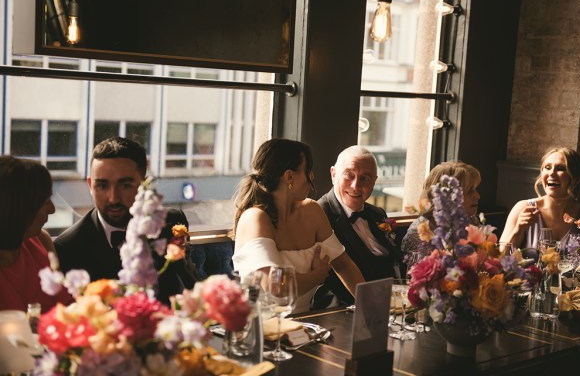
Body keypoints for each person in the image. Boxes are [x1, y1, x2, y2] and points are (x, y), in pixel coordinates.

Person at [55, 137, 197, 304]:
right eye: (102, 185)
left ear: (144, 184)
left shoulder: (171, 222)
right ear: (90, 185)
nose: (113, 198)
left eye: (125, 185)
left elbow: (189, 284)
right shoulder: (67, 248)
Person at [232, 138, 365, 314]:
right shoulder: (255, 218)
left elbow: (344, 265)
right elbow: (276, 287)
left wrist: (372, 305)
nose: (312, 177)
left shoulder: (312, 210)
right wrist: (317, 276)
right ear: (289, 177)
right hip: (261, 330)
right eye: (308, 170)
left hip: (306, 327)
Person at [316, 146, 403, 307]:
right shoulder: (319, 215)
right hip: (345, 310)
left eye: (365, 178)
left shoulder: (378, 214)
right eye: (349, 175)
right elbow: (322, 288)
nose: (356, 186)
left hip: (393, 306)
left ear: (374, 182)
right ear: (334, 174)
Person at [0, 156, 72, 313]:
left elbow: (65, 307)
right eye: (46, 202)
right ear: (19, 210)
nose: (52, 209)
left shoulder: (42, 240)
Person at [499, 147, 580, 251]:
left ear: (576, 179)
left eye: (560, 168)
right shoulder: (522, 208)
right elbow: (501, 257)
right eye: (547, 167)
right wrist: (518, 229)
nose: (551, 173)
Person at [402, 161, 481, 268]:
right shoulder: (420, 232)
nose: (477, 196)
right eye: (470, 191)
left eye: (475, 190)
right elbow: (419, 279)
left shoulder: (471, 221)